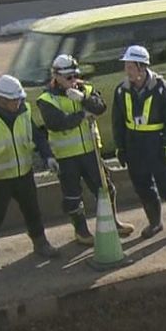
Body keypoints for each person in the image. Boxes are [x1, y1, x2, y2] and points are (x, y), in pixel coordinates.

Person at [35, 54, 134, 245]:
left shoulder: (85, 89)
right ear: (56, 76)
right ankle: (81, 231)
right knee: (73, 196)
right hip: (66, 157)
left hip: (91, 152)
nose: (73, 81)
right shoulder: (46, 99)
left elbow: (100, 108)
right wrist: (82, 114)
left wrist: (83, 99)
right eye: (68, 77)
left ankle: (113, 223)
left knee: (106, 189)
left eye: (75, 76)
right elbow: (57, 123)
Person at [0, 75, 60, 273]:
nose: (18, 103)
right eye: (14, 100)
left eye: (19, 99)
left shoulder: (24, 111)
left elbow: (37, 136)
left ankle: (41, 243)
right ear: (1, 99)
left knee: (33, 211)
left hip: (23, 174)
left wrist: (48, 156)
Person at [112, 44, 166, 240]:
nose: (127, 71)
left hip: (156, 145)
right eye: (127, 67)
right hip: (134, 146)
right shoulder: (121, 91)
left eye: (131, 67)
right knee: (143, 187)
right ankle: (155, 223)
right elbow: (118, 122)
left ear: (142, 67)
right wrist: (121, 147)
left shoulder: (161, 88)